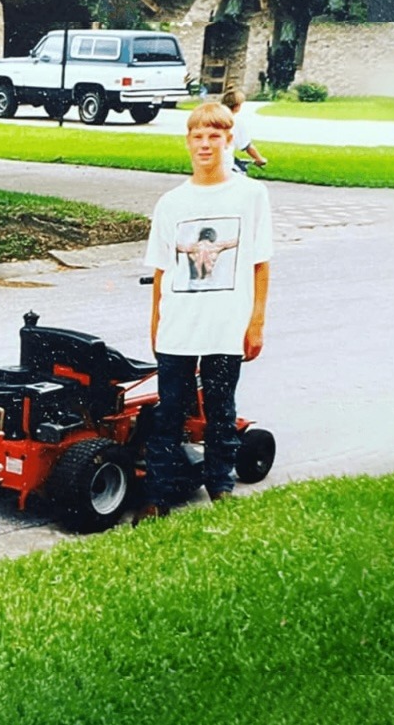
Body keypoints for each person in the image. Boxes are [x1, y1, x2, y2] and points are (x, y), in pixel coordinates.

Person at [135, 102, 273, 524]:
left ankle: (220, 488)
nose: (206, 144)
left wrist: (256, 322)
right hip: (179, 325)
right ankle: (158, 496)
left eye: (215, 136)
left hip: (225, 327)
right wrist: (156, 323)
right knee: (169, 412)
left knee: (220, 409)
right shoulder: (172, 202)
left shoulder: (250, 195)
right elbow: (162, 270)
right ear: (188, 143)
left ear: (230, 140)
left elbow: (260, 263)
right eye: (198, 136)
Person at [221, 88, 267, 174]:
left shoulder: (213, 119)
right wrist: (259, 159)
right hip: (225, 164)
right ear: (237, 106)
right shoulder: (235, 122)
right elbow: (247, 146)